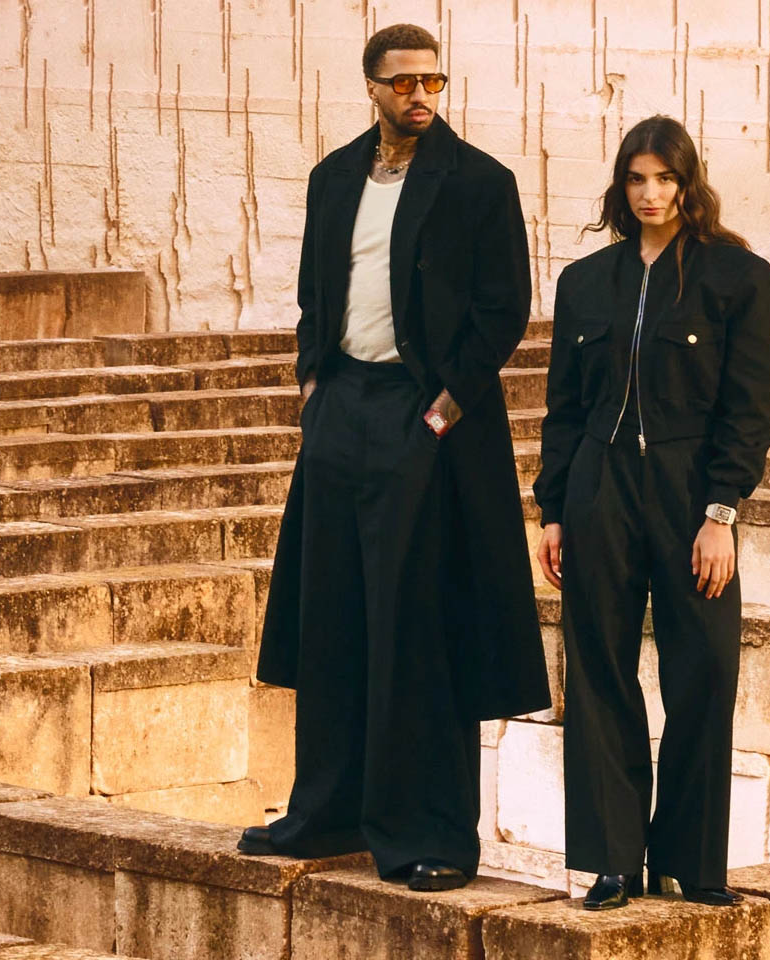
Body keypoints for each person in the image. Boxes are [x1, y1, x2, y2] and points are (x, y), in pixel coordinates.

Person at [241, 23, 550, 892]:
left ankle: (431, 836)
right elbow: (316, 292)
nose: (421, 95)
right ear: (372, 87)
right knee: (332, 613)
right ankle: (325, 814)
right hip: (343, 408)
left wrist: (445, 408)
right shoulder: (334, 177)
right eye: (405, 82)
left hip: (428, 419)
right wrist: (314, 386)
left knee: (419, 624)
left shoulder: (479, 181)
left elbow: (503, 309)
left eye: (433, 82)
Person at [533, 116, 770, 910]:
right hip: (598, 488)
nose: (650, 194)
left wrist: (722, 512)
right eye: (637, 179)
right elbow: (564, 409)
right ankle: (611, 860)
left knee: (704, 667)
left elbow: (749, 409)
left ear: (687, 183)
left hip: (690, 491)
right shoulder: (585, 283)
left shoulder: (737, 278)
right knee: (599, 669)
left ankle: (689, 862)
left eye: (664, 178)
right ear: (621, 186)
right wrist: (553, 510)